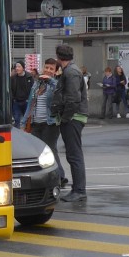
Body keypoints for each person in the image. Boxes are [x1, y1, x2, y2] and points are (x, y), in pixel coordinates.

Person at [51, 44, 88, 202]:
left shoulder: (71, 72)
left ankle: (79, 190)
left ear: (58, 57)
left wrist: (65, 118)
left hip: (73, 118)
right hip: (74, 117)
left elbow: (72, 99)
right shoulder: (70, 70)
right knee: (74, 154)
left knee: (74, 155)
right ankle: (78, 189)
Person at [22, 57, 65, 189]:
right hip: (35, 122)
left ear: (56, 71)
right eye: (46, 67)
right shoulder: (36, 84)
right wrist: (24, 122)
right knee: (36, 151)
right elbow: (30, 102)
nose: (48, 70)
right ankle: (42, 177)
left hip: (50, 122)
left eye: (51, 69)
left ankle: (60, 176)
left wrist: (50, 80)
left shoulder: (56, 84)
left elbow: (58, 93)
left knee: (50, 150)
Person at [10, 61, 33, 127]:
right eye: (16, 67)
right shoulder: (13, 78)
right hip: (16, 102)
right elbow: (10, 89)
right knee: (16, 119)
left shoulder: (29, 77)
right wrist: (13, 98)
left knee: (26, 120)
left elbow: (33, 89)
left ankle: (27, 135)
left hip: (26, 102)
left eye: (19, 67)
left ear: (23, 68)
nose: (17, 68)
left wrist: (29, 99)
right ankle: (18, 135)